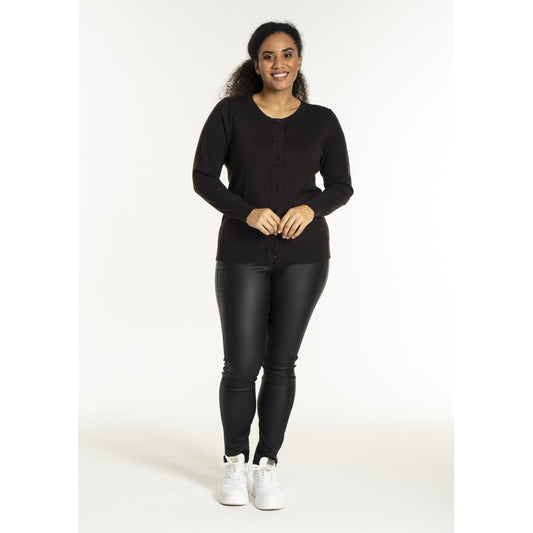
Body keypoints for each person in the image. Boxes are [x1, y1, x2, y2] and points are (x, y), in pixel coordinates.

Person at [192, 21, 353, 510]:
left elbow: (341, 185)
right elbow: (203, 176)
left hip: (305, 258)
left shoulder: (323, 121)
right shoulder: (230, 113)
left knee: (281, 364)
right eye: (268, 56)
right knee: (240, 365)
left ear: (299, 61)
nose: (278, 63)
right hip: (242, 255)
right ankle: (235, 461)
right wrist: (246, 211)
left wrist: (312, 208)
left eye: (287, 54)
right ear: (256, 64)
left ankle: (267, 465)